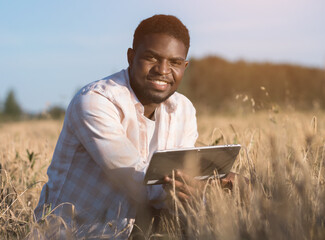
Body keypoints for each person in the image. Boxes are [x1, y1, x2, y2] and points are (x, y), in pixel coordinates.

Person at [34, 14, 235, 239]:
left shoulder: (183, 109)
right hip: (76, 233)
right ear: (131, 57)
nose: (162, 70)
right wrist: (210, 187)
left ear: (185, 66)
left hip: (141, 229)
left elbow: (180, 185)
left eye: (175, 62)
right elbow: (139, 184)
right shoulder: (95, 101)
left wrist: (221, 185)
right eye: (151, 58)